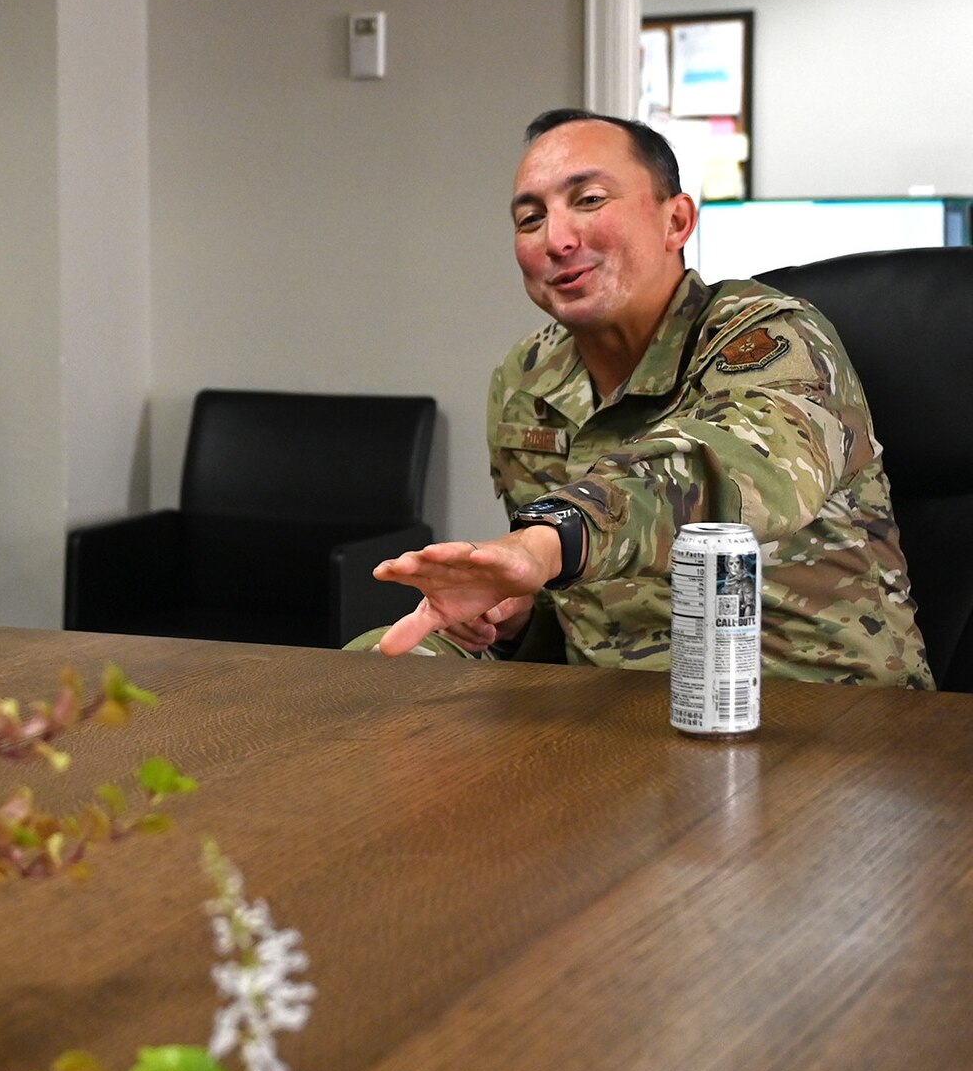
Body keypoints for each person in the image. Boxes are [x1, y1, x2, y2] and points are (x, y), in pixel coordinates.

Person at [359, 108, 931, 689]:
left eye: (588, 200)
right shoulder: (527, 377)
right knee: (364, 671)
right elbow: (571, 605)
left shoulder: (768, 336)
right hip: (613, 717)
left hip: (816, 709)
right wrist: (514, 613)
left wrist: (549, 539)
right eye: (531, 218)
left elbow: (729, 467)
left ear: (676, 221)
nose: (557, 239)